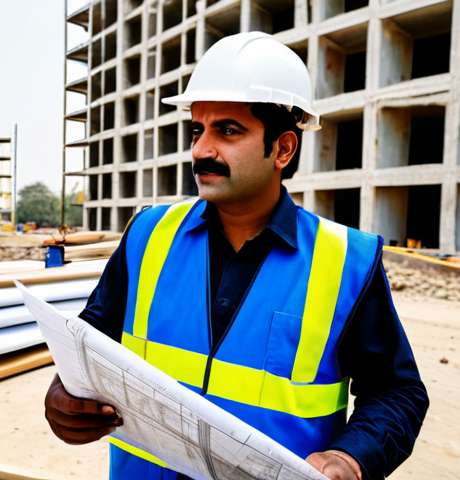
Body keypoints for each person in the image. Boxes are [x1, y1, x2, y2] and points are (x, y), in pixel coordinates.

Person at [44, 32, 428, 480]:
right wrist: (64, 392)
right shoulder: (147, 235)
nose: (201, 150)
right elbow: (91, 342)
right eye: (197, 129)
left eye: (228, 130)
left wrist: (350, 457)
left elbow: (397, 392)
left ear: (283, 148)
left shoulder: (347, 261)